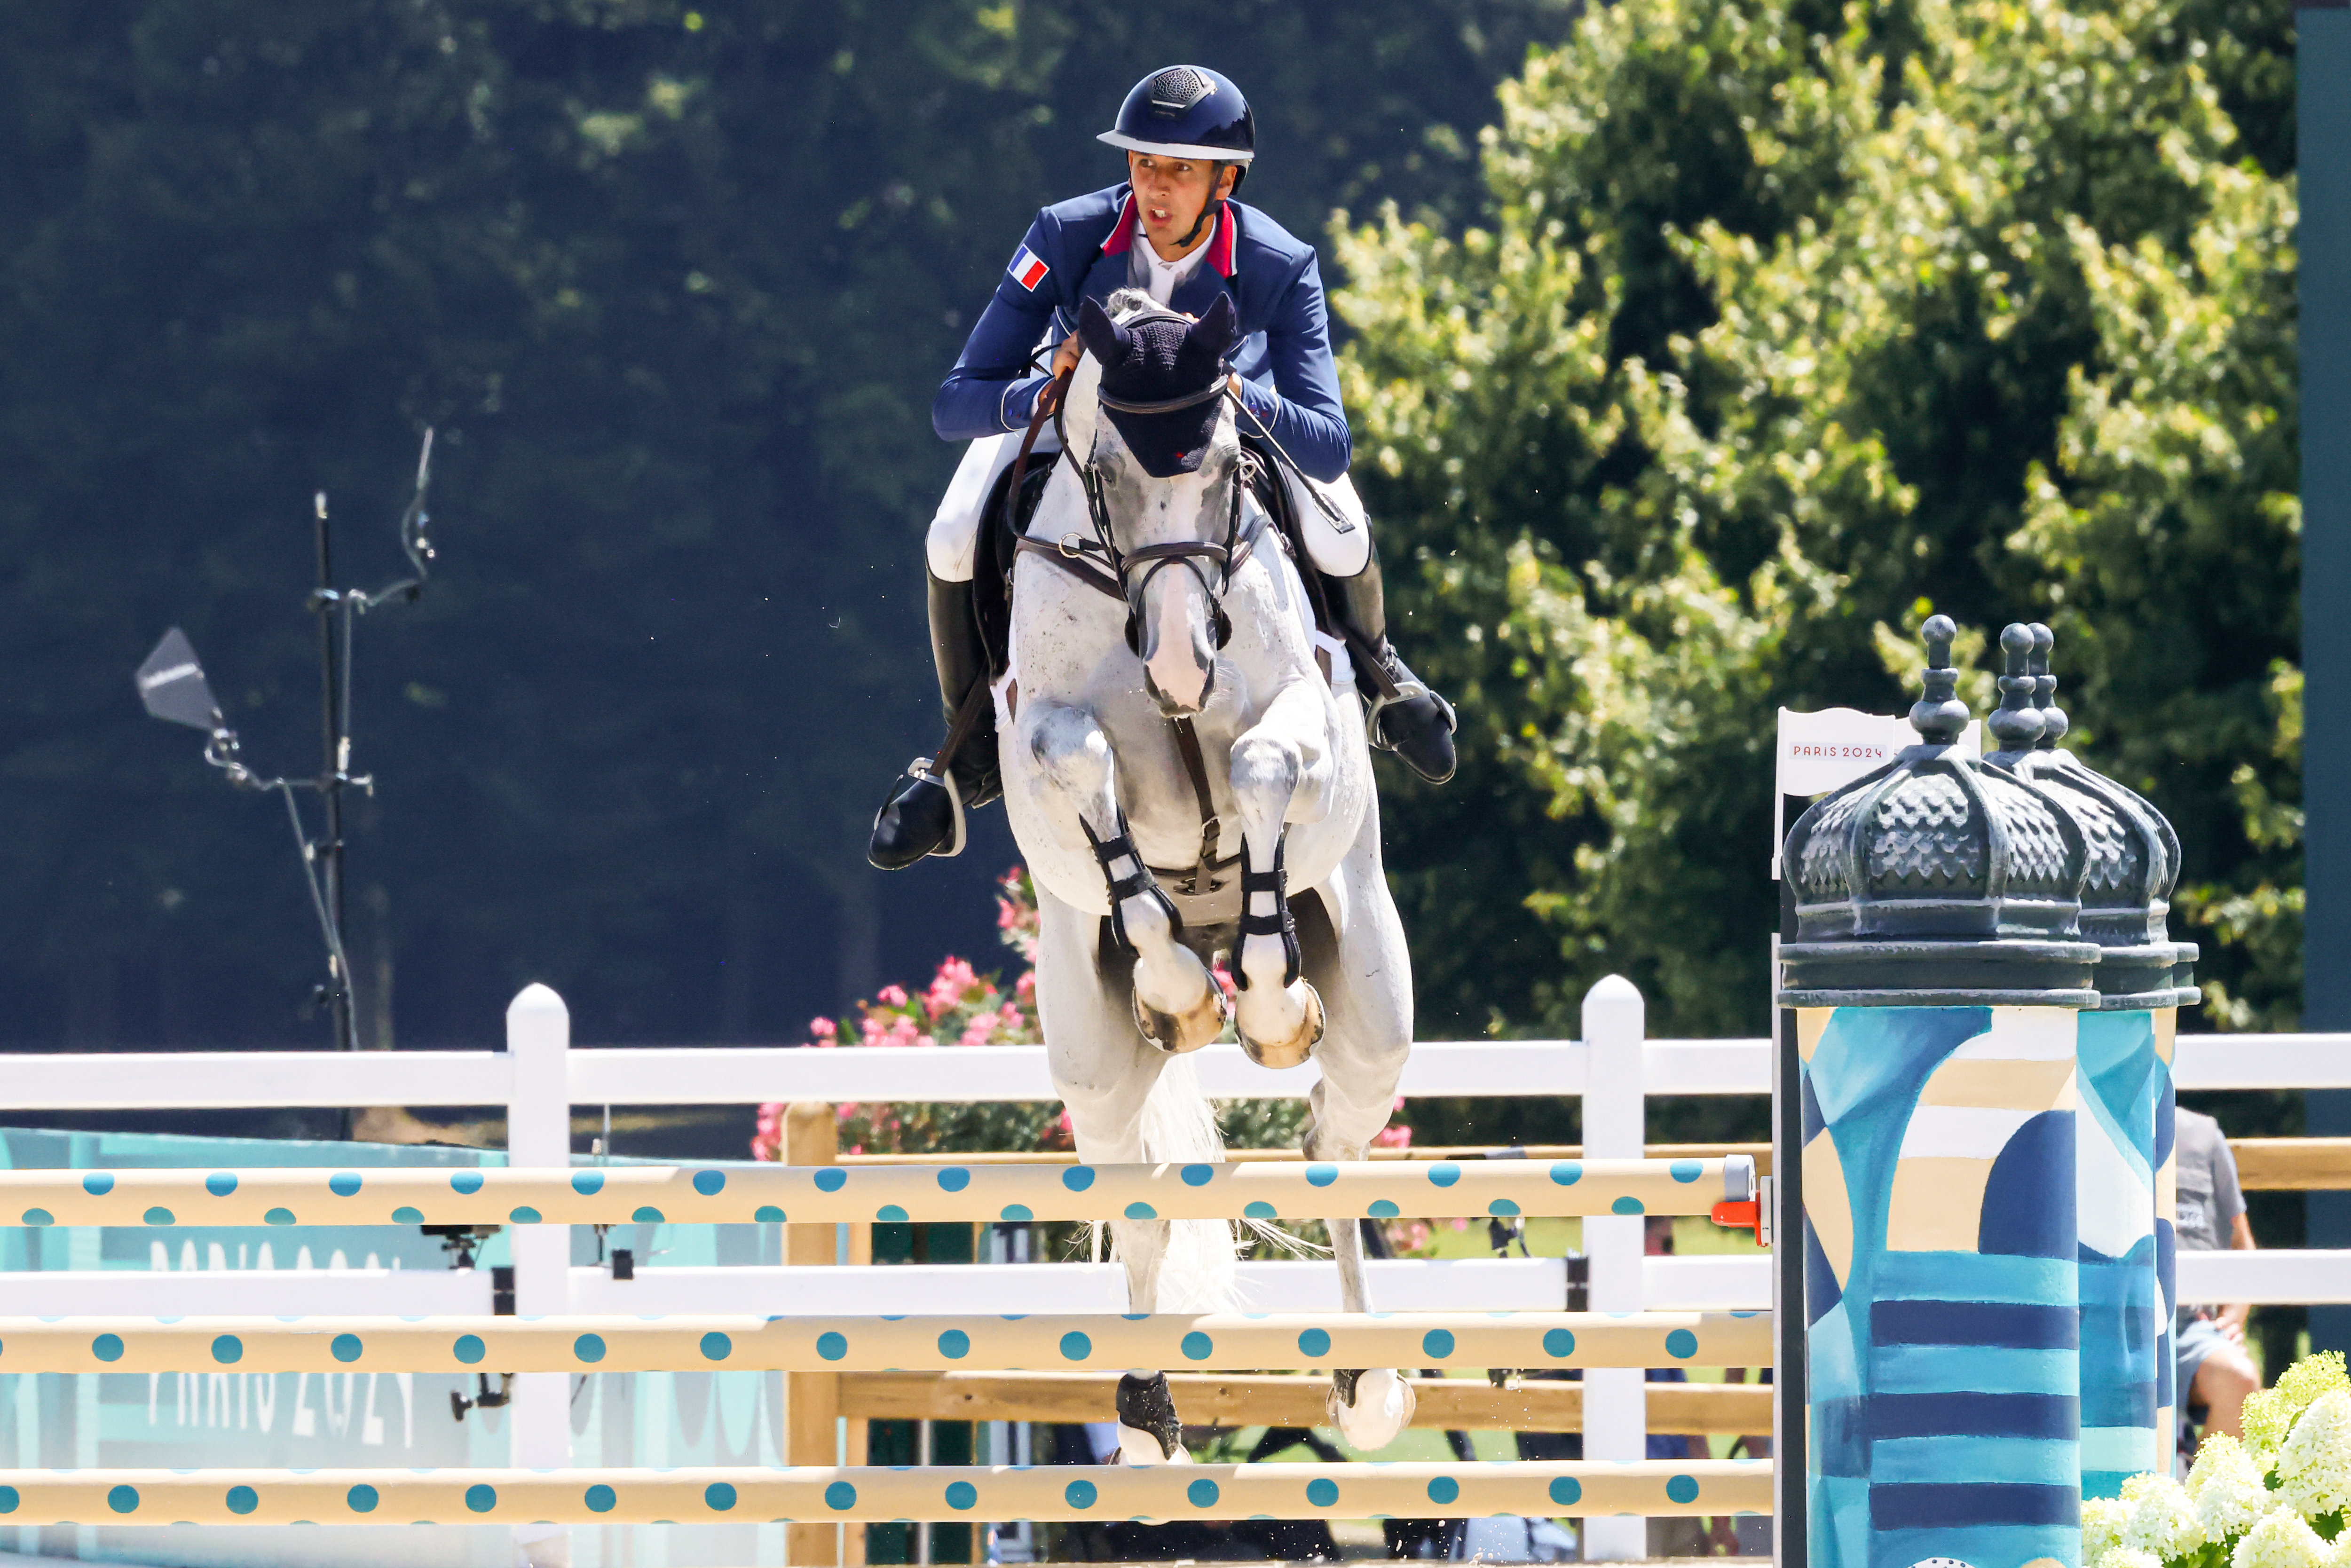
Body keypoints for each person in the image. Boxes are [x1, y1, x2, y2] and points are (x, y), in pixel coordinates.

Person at [868, 64, 1458, 870]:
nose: (1156, 186)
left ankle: (1383, 677)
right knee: (949, 534)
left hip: (1220, 428)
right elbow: (956, 401)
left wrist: (1241, 396)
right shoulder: (1064, 236)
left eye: (1181, 169)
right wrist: (1047, 388)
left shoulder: (1280, 263)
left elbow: (1327, 442)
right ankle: (962, 759)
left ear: (1226, 179)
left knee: (1344, 529)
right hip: (1077, 419)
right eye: (1144, 163)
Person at [2174, 1106, 2262, 1445]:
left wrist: (2234, 1316)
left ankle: (2203, 1490)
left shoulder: (2204, 1135)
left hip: (2189, 1328)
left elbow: (2242, 1243)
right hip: (2105, 1322)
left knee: (2238, 1378)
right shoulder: (2084, 1122)